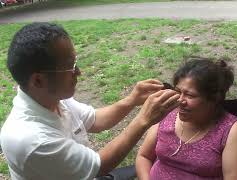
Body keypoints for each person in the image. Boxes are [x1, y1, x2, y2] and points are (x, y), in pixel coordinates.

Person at [0, 22, 180, 180]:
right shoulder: (31, 141)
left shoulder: (48, 97)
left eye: (75, 62)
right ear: (38, 80)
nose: (78, 72)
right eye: (70, 66)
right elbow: (99, 166)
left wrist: (131, 100)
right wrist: (143, 120)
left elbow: (96, 120)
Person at [136, 58, 237, 180]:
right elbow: (144, 156)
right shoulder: (166, 114)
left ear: (213, 98)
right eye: (177, 91)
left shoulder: (232, 133)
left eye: (190, 95)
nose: (180, 101)